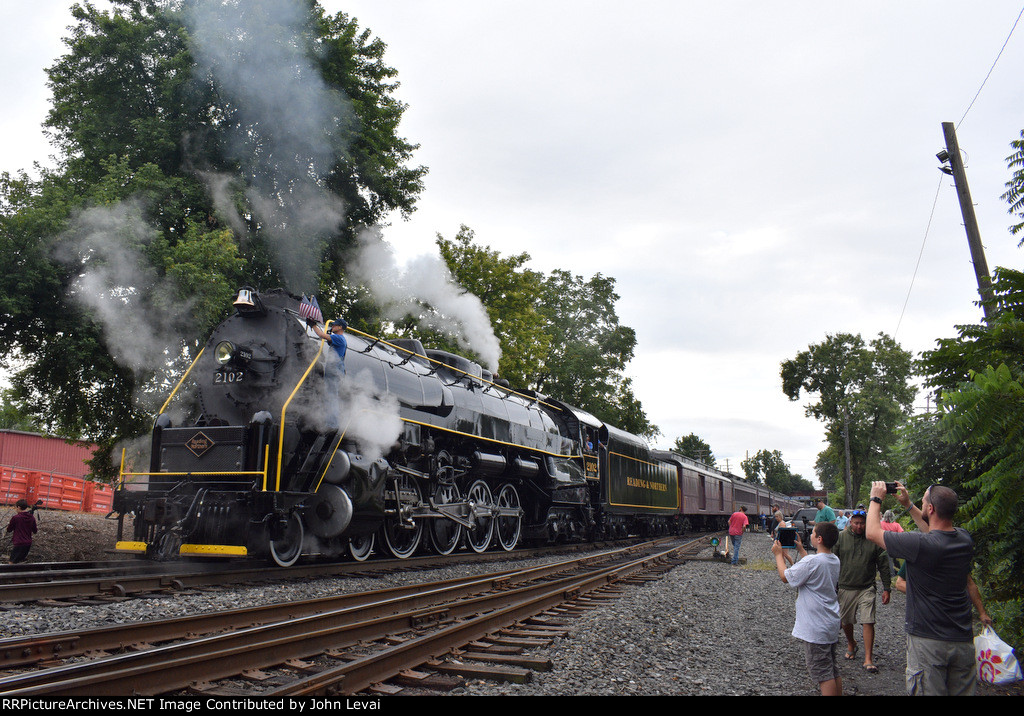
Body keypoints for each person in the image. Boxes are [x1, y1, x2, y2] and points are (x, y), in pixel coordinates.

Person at [865, 481, 993, 696]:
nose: (922, 504)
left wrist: (875, 498)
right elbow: (934, 532)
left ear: (931, 509)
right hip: (962, 640)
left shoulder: (918, 544)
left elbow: (872, 533)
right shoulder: (963, 539)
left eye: (923, 502)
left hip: (929, 642)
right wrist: (908, 505)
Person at [772, 522, 842, 696]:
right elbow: (813, 566)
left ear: (819, 539)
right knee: (832, 669)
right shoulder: (833, 560)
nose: (809, 535)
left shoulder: (813, 561)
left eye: (813, 533)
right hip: (829, 621)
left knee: (823, 674)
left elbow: (784, 577)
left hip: (816, 626)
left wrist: (778, 555)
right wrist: (802, 550)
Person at [833, 509, 891, 674]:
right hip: (845, 586)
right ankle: (851, 643)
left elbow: (884, 565)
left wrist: (887, 588)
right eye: (856, 523)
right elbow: (832, 560)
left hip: (867, 587)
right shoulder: (841, 538)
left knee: (868, 620)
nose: (859, 526)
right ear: (850, 522)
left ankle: (868, 658)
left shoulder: (873, 539)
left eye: (862, 523)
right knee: (846, 621)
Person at [6, 499, 38, 564]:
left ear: (19, 507)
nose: (16, 509)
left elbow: (9, 530)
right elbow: (35, 531)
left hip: (19, 543)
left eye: (16, 507)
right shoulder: (31, 517)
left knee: (11, 563)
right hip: (28, 543)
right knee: (19, 562)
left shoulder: (16, 517)